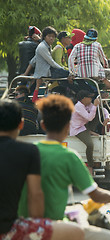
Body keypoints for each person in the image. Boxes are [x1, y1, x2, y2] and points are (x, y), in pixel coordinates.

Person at [17, 95, 110, 240]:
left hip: (22, 228)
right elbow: (96, 195)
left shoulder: (25, 153)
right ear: (68, 126)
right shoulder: (69, 157)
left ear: (43, 125)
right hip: (50, 228)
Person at [0, 99, 84, 240]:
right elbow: (36, 194)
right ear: (21, 124)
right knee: (78, 232)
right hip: (10, 228)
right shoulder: (28, 151)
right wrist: (37, 226)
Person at [69, 90, 100, 173]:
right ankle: (90, 165)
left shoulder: (88, 104)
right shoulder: (78, 106)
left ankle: (89, 131)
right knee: (90, 144)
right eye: (89, 97)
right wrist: (95, 105)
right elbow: (89, 118)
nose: (91, 99)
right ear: (83, 99)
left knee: (98, 112)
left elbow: (98, 111)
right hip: (77, 128)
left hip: (84, 126)